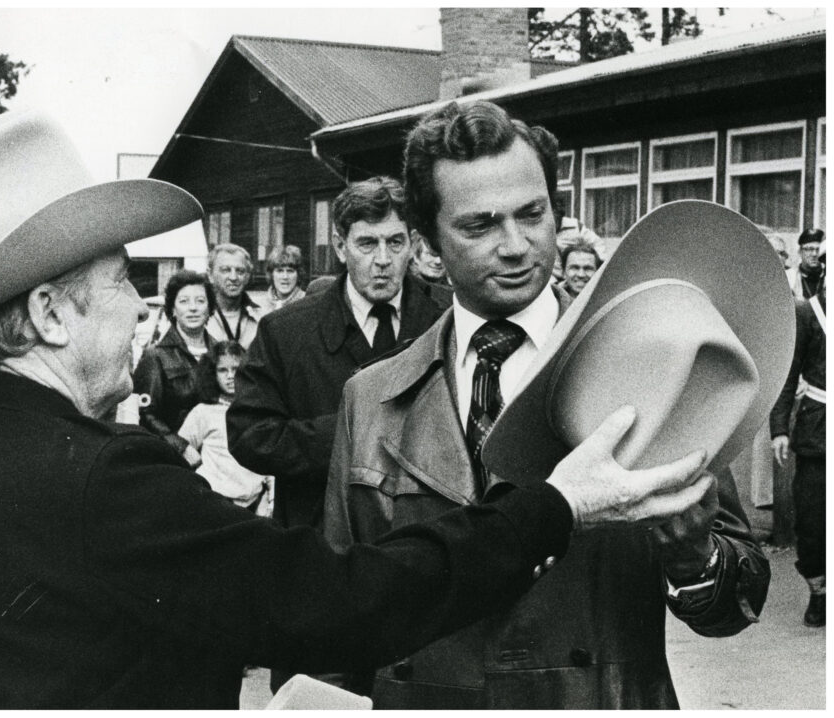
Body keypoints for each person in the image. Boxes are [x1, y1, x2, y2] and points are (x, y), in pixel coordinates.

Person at [0, 110, 713, 710]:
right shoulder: (103, 480)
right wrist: (555, 507)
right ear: (49, 315)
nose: (140, 307)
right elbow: (336, 600)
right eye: (119, 283)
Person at [322, 100, 769, 709]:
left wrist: (695, 558)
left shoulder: (654, 363)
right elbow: (337, 611)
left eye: (533, 214)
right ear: (426, 247)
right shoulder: (371, 397)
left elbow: (737, 603)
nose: (517, 246)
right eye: (480, 226)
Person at [227, 177, 445, 532]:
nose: (383, 260)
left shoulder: (448, 320)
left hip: (422, 536)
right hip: (320, 538)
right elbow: (249, 435)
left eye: (395, 242)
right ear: (341, 247)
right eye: (367, 244)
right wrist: (349, 433)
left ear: (414, 244)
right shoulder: (285, 330)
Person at [770, 282, 826, 626]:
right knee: (812, 522)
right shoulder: (808, 313)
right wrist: (779, 428)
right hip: (818, 434)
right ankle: (820, 591)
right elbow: (787, 374)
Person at [178, 341, 273, 514]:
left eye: (235, 369)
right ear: (212, 374)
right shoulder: (203, 412)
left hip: (255, 502)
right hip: (216, 501)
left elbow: (269, 456)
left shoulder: (258, 410)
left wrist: (270, 496)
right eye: (222, 370)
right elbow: (180, 448)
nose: (230, 376)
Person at [133, 270, 216, 463]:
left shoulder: (221, 354)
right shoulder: (156, 356)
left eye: (200, 301)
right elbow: (145, 414)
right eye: (184, 301)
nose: (193, 308)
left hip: (217, 460)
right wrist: (182, 448)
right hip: (175, 460)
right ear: (172, 309)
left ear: (210, 307)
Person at [205, 243, 262, 348]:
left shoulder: (261, 317)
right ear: (210, 275)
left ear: (247, 276)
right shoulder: (196, 315)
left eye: (240, 271)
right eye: (225, 270)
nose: (233, 277)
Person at [260, 245, 306, 314]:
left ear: (298, 274)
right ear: (271, 274)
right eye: (280, 271)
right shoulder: (259, 305)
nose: (285, 277)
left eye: (290, 271)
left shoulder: (308, 302)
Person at [787, 228, 825, 300]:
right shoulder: (789, 277)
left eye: (818, 249)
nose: (814, 254)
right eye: (809, 249)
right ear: (800, 251)